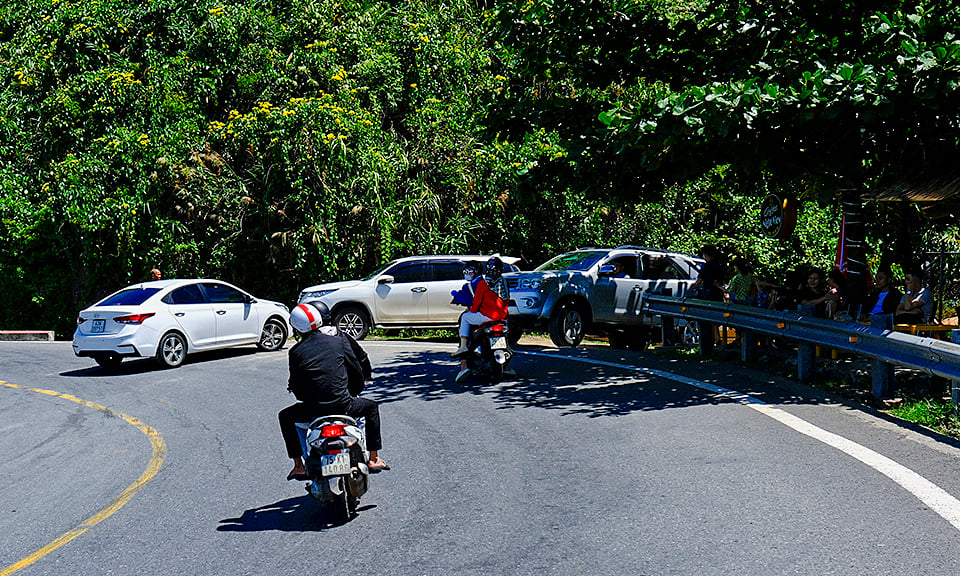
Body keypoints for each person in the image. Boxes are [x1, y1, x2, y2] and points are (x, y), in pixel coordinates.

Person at [278, 302, 389, 480]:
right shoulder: (339, 339)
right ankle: (374, 458)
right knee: (371, 407)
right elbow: (355, 367)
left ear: (297, 328)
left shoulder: (296, 351)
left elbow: (297, 388)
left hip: (313, 410)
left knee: (285, 416)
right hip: (344, 405)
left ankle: (299, 466)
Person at [451, 258, 509, 381]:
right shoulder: (503, 281)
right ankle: (507, 365)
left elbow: (476, 303)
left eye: (469, 270)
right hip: (502, 317)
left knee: (465, 318)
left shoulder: (481, 283)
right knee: (505, 336)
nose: (467, 273)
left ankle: (463, 353)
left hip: (486, 316)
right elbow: (507, 299)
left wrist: (472, 309)